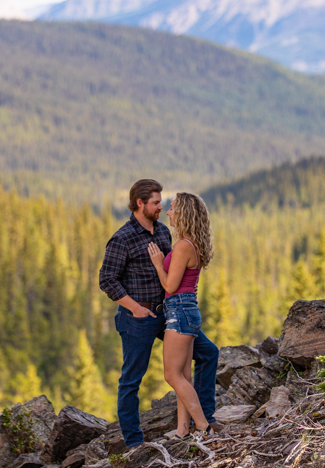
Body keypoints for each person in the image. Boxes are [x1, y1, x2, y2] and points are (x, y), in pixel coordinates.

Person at [99, 179, 220, 449]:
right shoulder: (122, 238)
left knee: (208, 353)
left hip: (170, 315)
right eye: (155, 203)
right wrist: (135, 308)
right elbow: (107, 279)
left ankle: (202, 421)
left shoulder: (164, 233)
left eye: (163, 202)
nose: (161, 207)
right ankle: (134, 444)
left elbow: (173, 273)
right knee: (131, 380)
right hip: (138, 319)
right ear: (139, 204)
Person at [147, 192, 214, 439]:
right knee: (183, 376)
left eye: (173, 208)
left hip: (178, 311)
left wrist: (156, 262)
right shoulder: (192, 243)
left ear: (184, 213)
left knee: (171, 375)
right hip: (186, 310)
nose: (168, 212)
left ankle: (204, 427)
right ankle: (182, 430)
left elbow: (170, 286)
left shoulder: (184, 245)